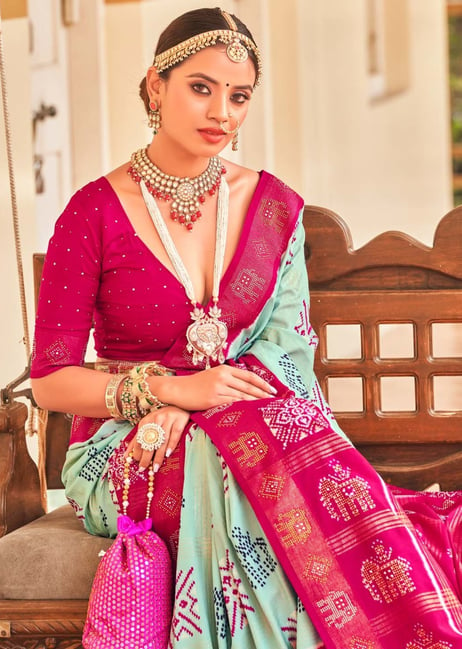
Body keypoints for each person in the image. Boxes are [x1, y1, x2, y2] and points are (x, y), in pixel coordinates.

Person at [30, 7, 462, 649]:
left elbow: (287, 354)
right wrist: (171, 394)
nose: (221, 113)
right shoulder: (91, 213)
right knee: (225, 457)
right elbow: (50, 385)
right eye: (200, 88)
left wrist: (200, 405)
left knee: (244, 438)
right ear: (156, 86)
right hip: (125, 450)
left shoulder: (271, 206)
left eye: (239, 96)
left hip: (247, 419)